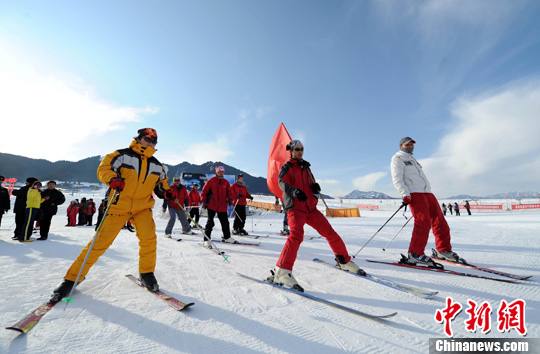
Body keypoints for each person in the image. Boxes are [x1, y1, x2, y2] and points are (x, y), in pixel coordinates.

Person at [49, 128, 169, 303]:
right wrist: (112, 179)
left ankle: (147, 274)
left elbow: (161, 185)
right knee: (99, 243)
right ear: (139, 138)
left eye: (154, 140)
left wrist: (168, 192)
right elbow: (103, 168)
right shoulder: (120, 155)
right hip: (119, 204)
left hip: (142, 207)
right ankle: (71, 279)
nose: (151, 142)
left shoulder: (158, 165)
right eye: (147, 138)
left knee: (149, 239)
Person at [270, 140, 362, 291]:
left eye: (302, 149)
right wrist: (293, 191)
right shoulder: (287, 167)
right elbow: (281, 183)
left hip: (310, 208)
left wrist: (314, 187)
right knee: (296, 235)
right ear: (291, 151)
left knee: (330, 232)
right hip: (295, 208)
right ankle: (282, 271)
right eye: (297, 149)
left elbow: (310, 182)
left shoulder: (306, 167)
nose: (300, 152)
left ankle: (344, 261)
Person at [391, 137, 463, 266]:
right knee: (423, 223)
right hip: (415, 194)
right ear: (401, 145)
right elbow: (397, 179)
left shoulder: (412, 160)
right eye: (407, 144)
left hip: (427, 193)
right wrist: (405, 194)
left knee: (440, 221)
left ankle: (443, 250)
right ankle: (415, 253)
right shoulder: (398, 159)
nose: (410, 146)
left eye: (412, 144)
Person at [201, 165, 236, 247]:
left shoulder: (226, 182)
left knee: (225, 222)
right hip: (212, 205)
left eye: (222, 172)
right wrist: (204, 201)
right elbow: (204, 192)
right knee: (210, 222)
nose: (221, 173)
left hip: (222, 206)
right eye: (219, 172)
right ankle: (206, 239)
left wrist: (230, 200)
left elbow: (229, 193)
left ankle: (227, 237)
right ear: (216, 172)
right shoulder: (211, 181)